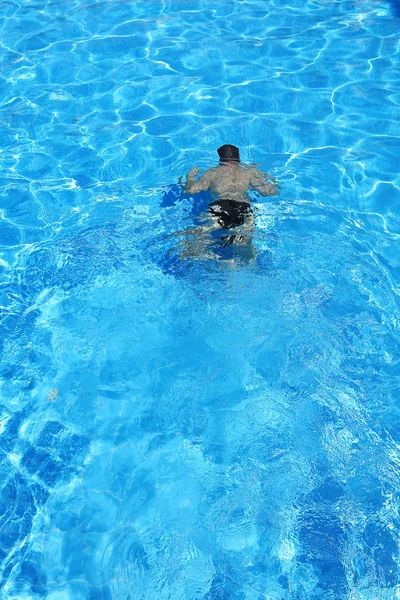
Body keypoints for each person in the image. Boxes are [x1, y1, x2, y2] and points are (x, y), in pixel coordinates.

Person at [185, 144, 279, 233]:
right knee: (245, 238)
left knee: (204, 235)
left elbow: (191, 190)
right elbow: (270, 192)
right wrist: (266, 178)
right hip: (243, 208)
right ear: (238, 156)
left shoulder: (212, 172)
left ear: (220, 157)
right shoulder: (249, 172)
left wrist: (190, 177)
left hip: (219, 206)